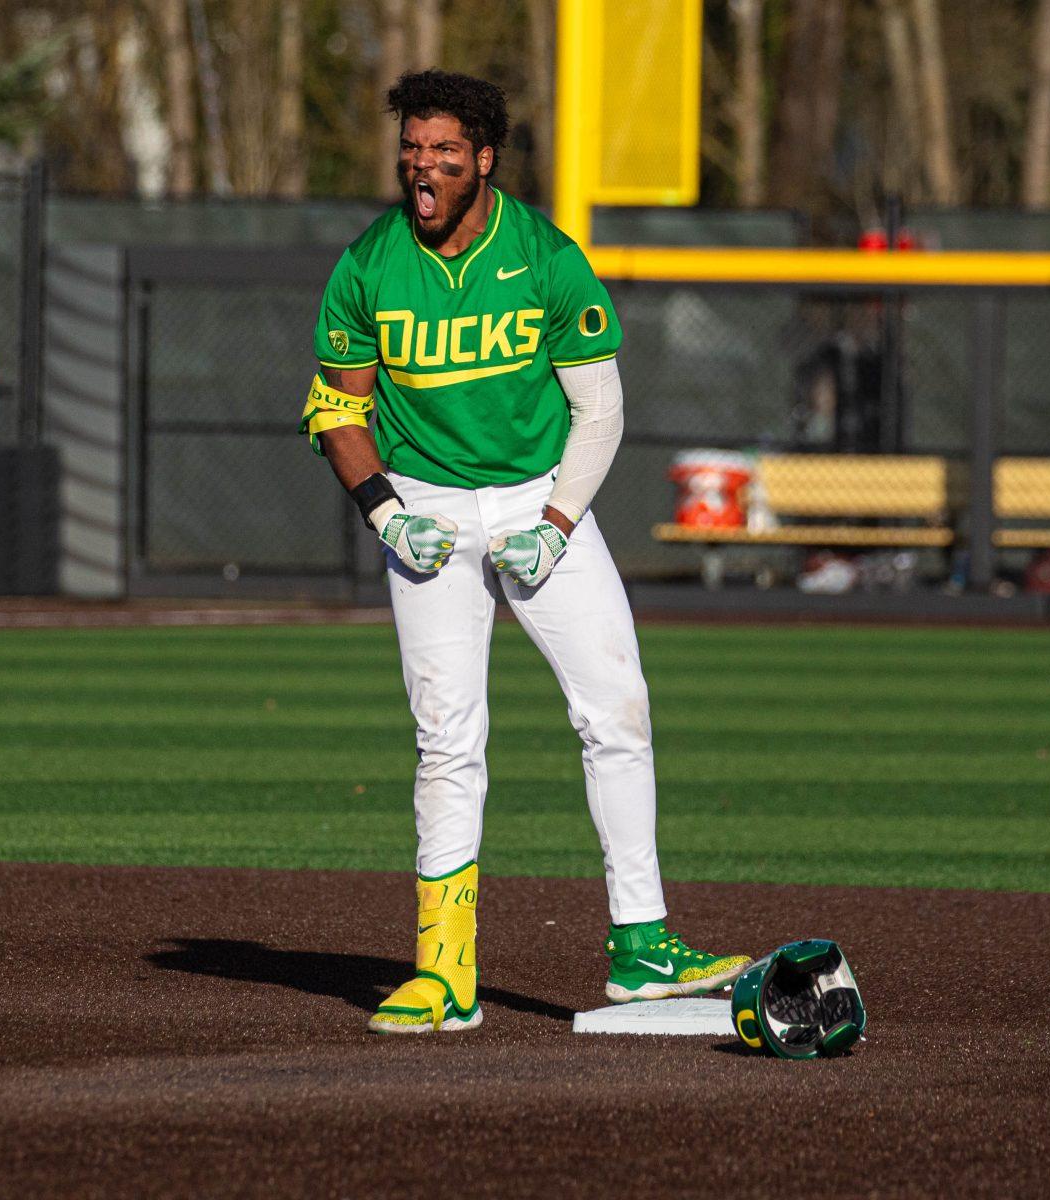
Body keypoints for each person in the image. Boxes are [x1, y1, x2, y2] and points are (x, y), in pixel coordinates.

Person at [301, 69, 750, 1034]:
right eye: (413, 151)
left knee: (617, 712)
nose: (424, 168)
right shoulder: (369, 264)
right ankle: (446, 972)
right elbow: (339, 409)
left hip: (541, 500)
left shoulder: (545, 255)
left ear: (485, 160)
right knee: (447, 739)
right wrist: (386, 515)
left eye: (444, 154)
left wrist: (553, 524)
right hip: (423, 506)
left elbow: (600, 410)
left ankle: (642, 946)